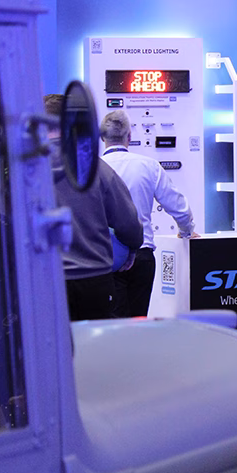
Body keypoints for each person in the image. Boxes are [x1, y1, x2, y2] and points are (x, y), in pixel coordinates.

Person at [45, 95, 142, 321]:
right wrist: (132, 247)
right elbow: (128, 221)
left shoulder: (24, 170)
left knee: (48, 352)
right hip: (94, 279)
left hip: (45, 280)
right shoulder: (97, 168)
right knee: (95, 352)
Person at [100, 110, 197, 317]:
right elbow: (178, 206)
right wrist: (187, 231)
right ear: (129, 136)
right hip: (142, 255)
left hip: (106, 257)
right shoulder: (148, 166)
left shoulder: (92, 170)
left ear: (102, 138)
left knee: (111, 326)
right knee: (138, 322)